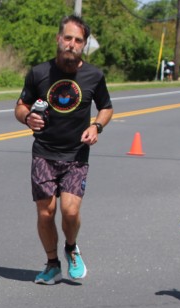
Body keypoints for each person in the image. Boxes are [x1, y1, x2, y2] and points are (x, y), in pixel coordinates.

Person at [15, 15, 113, 285]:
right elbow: (21, 105)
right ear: (59, 39)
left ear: (84, 44)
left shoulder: (94, 76)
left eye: (78, 40)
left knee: (70, 211)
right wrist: (27, 118)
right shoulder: (39, 73)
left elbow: (106, 107)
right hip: (44, 152)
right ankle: (52, 264)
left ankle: (71, 247)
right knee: (46, 212)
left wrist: (96, 126)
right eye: (68, 38)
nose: (72, 44)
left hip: (76, 155)